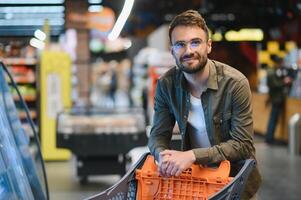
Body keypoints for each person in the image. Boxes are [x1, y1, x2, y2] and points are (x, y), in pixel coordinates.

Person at [148, 10, 261, 199]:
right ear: (172, 50)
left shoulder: (235, 83)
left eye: (195, 42)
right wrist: (162, 155)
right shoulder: (166, 85)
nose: (188, 51)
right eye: (180, 44)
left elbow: (243, 145)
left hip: (235, 182)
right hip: (196, 182)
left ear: (208, 46)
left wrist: (191, 155)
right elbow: (158, 134)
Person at [265, 55, 292, 144]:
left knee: (274, 119)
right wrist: (284, 82)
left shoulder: (275, 71)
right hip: (276, 98)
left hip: (276, 98)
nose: (282, 65)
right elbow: (274, 85)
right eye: (281, 63)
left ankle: (270, 137)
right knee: (273, 119)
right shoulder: (272, 72)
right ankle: (269, 138)